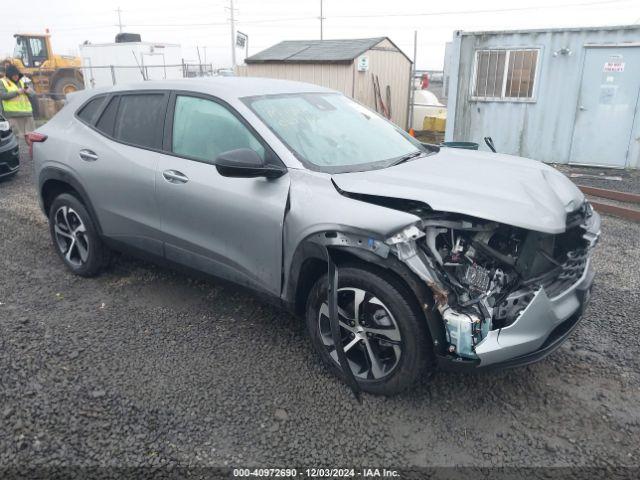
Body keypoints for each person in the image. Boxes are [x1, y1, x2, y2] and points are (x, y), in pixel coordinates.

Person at [0, 64, 36, 142]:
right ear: (9, 75)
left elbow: (33, 94)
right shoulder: (2, 82)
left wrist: (30, 91)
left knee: (31, 138)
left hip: (27, 114)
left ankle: (33, 153)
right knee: (14, 139)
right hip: (13, 115)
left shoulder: (23, 81)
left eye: (17, 75)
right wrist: (17, 92)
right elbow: (3, 96)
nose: (16, 77)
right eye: (14, 75)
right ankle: (16, 154)